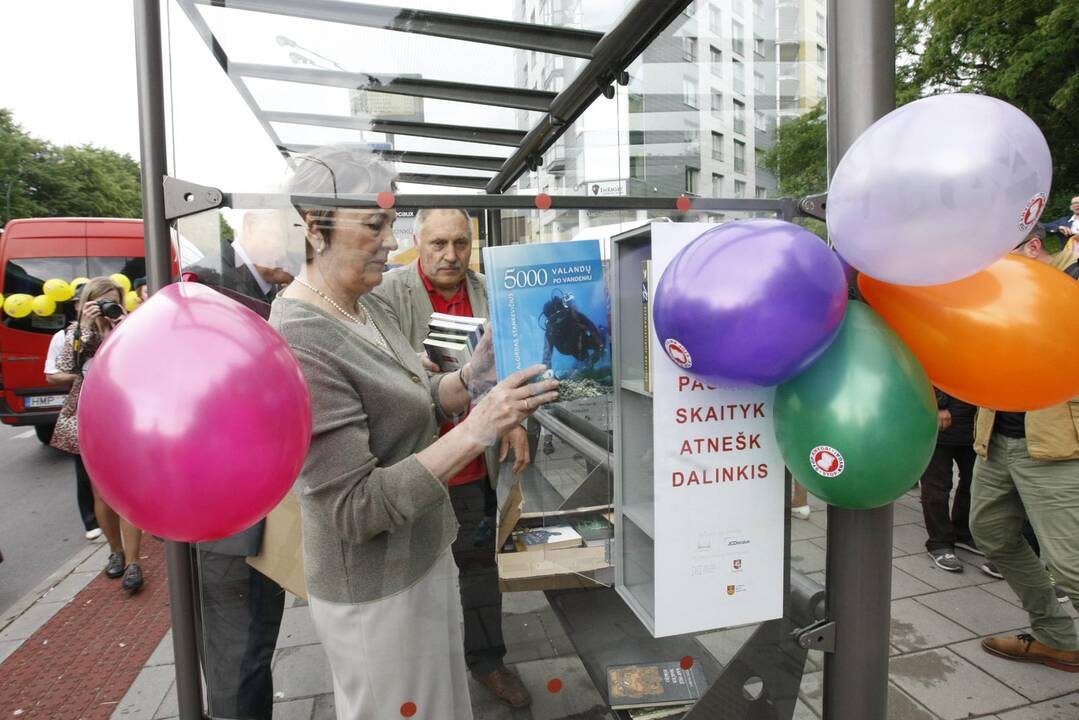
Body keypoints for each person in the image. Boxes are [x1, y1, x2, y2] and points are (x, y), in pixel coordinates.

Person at [268, 147, 559, 720]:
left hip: (421, 559)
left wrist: (468, 380)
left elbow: (411, 399)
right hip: (376, 590)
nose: (387, 239)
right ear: (314, 228)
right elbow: (354, 509)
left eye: (391, 222)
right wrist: (479, 426)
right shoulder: (302, 335)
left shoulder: (361, 306)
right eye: (374, 224)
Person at [372, 208, 533, 708]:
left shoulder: (490, 291)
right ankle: (417, 671)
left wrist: (517, 422)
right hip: (415, 461)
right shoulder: (386, 296)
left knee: (479, 565)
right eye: (438, 243)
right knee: (413, 573)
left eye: (461, 243)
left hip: (473, 466)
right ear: (416, 241)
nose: (450, 255)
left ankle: (488, 660)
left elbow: (512, 363)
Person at [970, 231, 1079, 671]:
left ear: (1032, 247)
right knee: (991, 533)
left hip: (1057, 445)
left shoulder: (1069, 284)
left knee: (1071, 564)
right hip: (997, 436)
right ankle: (1056, 637)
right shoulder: (999, 290)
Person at [50, 277, 145, 593]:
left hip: (125, 419)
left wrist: (121, 324)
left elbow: (142, 361)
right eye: (100, 301)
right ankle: (115, 552)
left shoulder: (130, 326)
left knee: (128, 492)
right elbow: (68, 367)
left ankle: (133, 563)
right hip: (90, 421)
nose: (106, 306)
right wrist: (86, 328)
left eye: (112, 299)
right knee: (101, 495)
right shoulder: (76, 334)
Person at [43, 287, 100, 541]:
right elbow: (52, 374)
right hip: (84, 405)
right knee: (84, 466)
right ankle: (91, 521)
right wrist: (83, 375)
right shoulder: (64, 336)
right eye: (87, 303)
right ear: (77, 306)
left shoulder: (120, 327)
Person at [920, 390, 978, 572]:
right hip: (942, 421)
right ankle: (939, 543)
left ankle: (962, 532)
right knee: (937, 487)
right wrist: (938, 404)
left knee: (972, 484)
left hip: (974, 423)